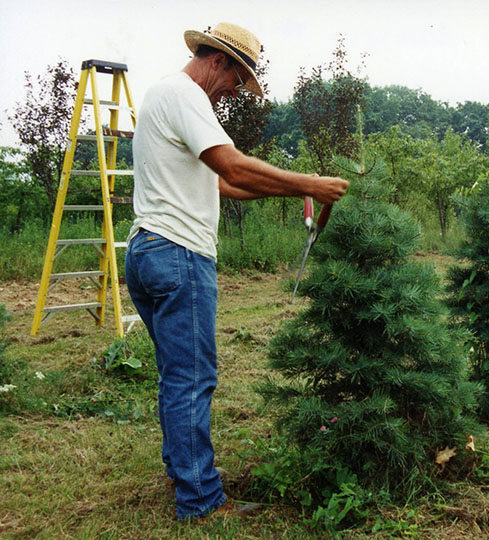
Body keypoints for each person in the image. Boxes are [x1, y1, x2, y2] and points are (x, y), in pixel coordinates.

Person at [124, 22, 349, 520]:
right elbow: (233, 167)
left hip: (147, 252)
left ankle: (182, 471)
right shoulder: (186, 96)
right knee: (194, 378)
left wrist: (298, 191)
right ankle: (201, 501)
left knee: (176, 376)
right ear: (219, 61)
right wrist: (308, 180)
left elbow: (222, 186)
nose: (232, 92)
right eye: (235, 79)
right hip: (180, 254)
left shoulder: (163, 95)